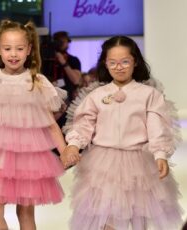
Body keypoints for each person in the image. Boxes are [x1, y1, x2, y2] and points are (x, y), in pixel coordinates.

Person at [61, 35, 184, 230]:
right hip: (103, 165)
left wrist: (160, 154)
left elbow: (156, 126)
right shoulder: (97, 96)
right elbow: (84, 123)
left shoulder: (148, 95)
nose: (119, 67)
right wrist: (74, 145)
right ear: (105, 63)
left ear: (135, 62)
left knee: (138, 215)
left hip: (139, 164)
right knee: (105, 218)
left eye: (125, 61)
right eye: (113, 62)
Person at [0, 19, 66, 229]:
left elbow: (50, 124)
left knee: (26, 211)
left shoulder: (36, 81)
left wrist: (65, 151)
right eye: (8, 48)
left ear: (29, 50)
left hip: (29, 158)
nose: (13, 54)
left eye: (19, 49)